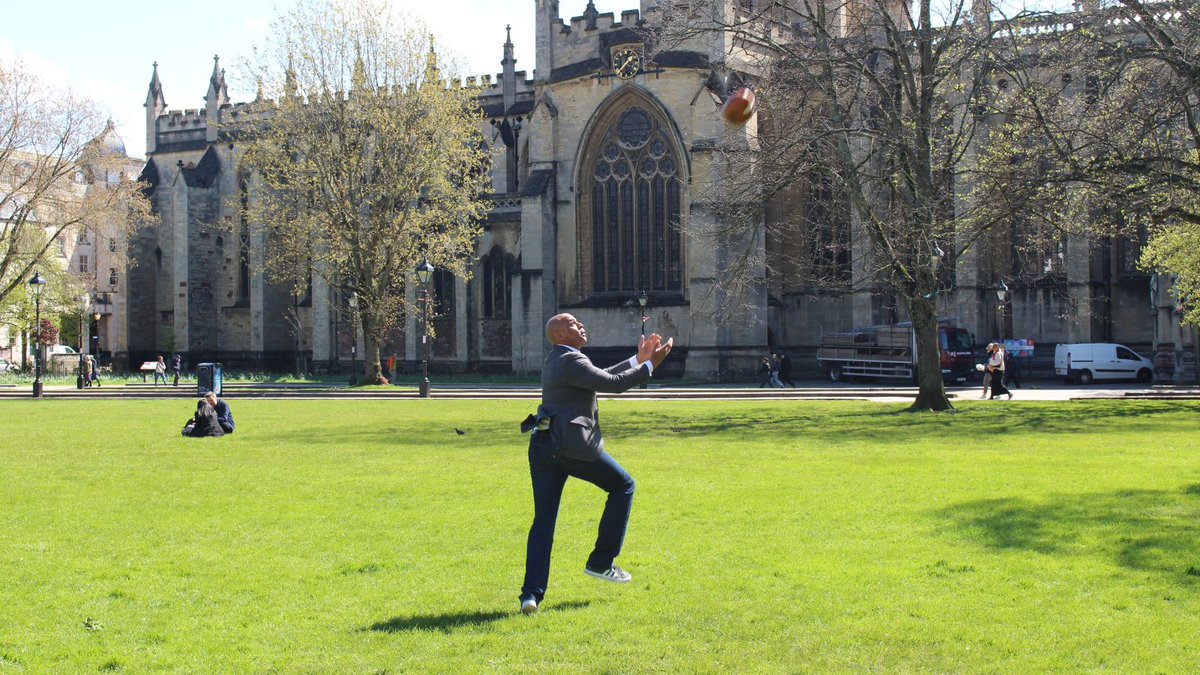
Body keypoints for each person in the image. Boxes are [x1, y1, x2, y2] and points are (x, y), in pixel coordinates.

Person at [518, 313, 673, 615]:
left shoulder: (559, 358)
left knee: (543, 523)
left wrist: (635, 360)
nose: (582, 327)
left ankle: (530, 596)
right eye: (575, 325)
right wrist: (651, 365)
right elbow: (613, 385)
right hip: (570, 446)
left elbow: (599, 377)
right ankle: (601, 562)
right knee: (623, 485)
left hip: (543, 445)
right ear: (561, 335)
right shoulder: (570, 359)